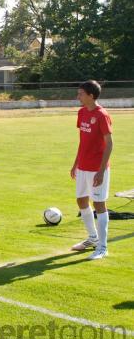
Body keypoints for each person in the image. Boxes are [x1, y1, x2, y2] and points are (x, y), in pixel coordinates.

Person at [70, 80, 113, 260]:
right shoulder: (81, 113)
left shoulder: (102, 115)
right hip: (83, 167)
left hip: (97, 169)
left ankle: (102, 248)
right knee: (81, 201)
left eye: (80, 94)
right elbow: (83, 141)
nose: (78, 96)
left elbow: (109, 144)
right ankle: (93, 238)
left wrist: (101, 171)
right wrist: (75, 164)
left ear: (91, 96)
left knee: (99, 205)